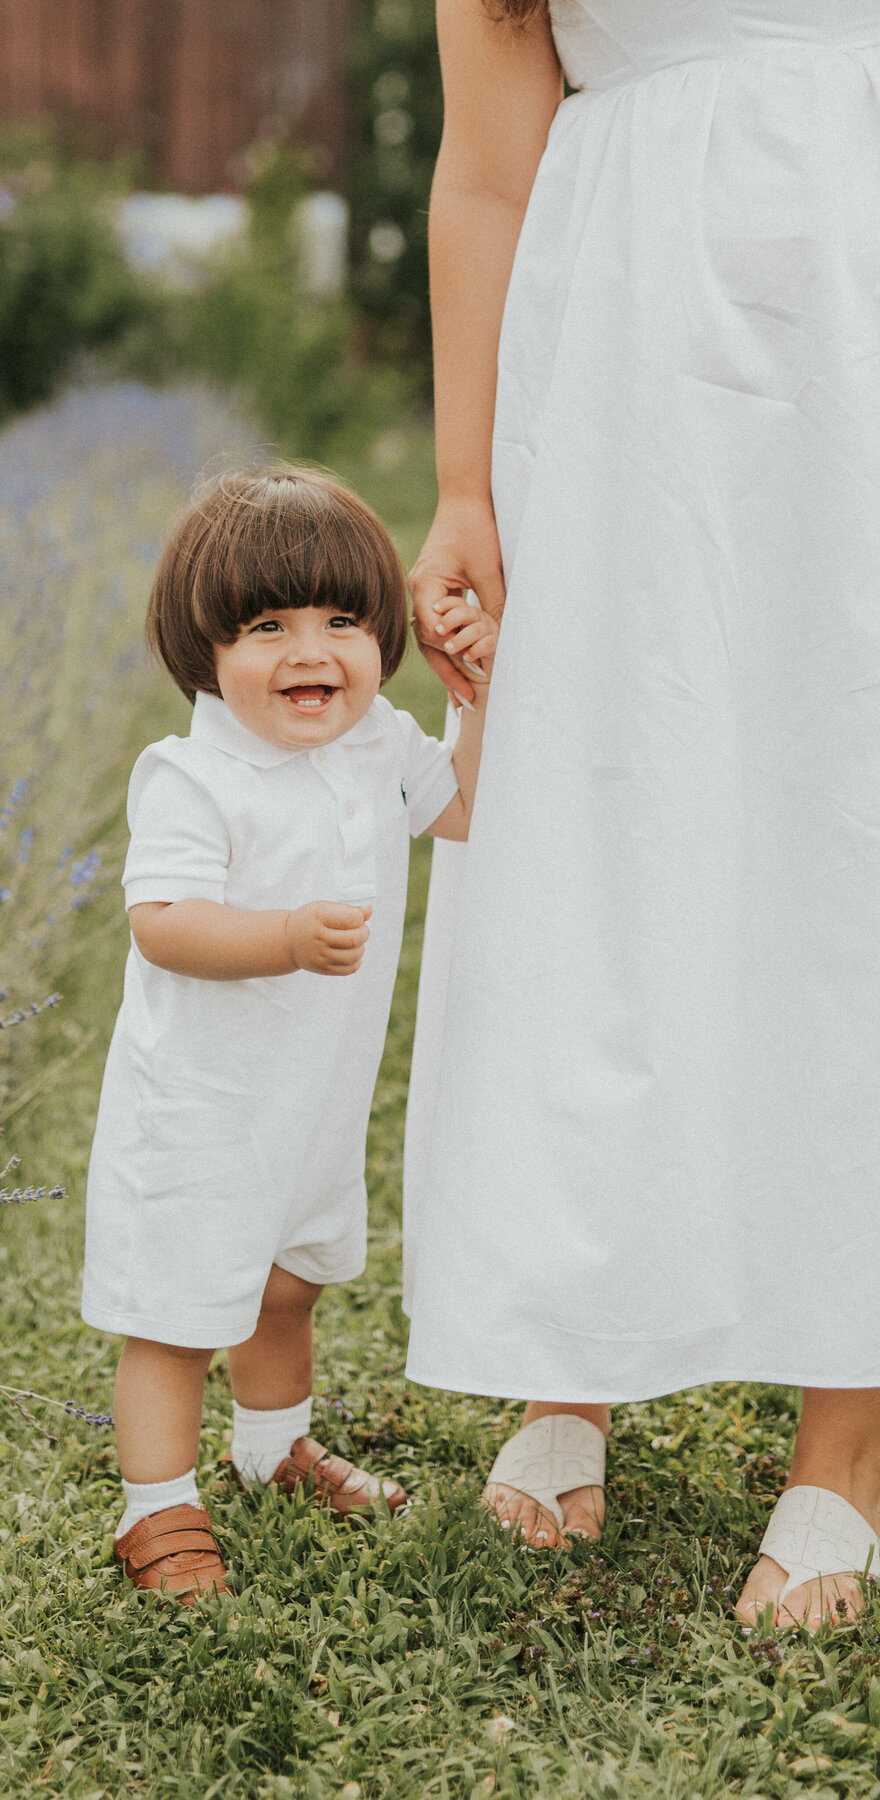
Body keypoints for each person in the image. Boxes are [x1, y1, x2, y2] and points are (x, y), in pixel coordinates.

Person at [403, 0, 880, 1630]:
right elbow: (482, 167)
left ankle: (843, 1453)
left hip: (860, 314)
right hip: (611, 354)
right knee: (595, 822)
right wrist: (466, 485)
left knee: (848, 838)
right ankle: (568, 1356)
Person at [82, 466, 496, 1603]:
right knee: (173, 1315)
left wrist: (477, 696)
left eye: (343, 621)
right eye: (268, 626)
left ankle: (274, 1446)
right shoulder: (195, 775)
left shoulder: (376, 745)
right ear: (202, 649)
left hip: (311, 1102)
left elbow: (463, 804)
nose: (312, 651)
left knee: (286, 1287)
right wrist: (281, 938)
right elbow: (163, 925)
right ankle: (156, 1512)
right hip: (204, 1108)